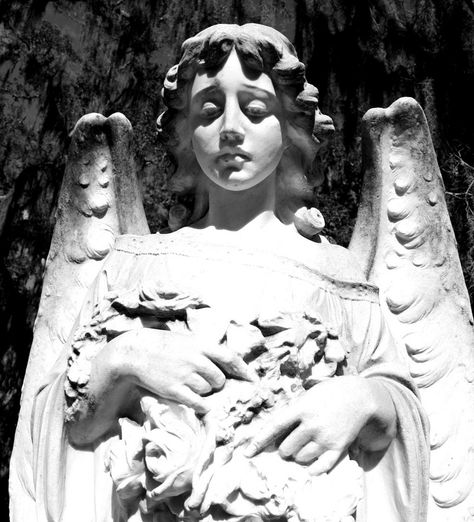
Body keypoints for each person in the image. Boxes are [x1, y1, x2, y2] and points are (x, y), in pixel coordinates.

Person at [21, 24, 429, 522]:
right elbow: (58, 426)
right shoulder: (134, 264)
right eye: (210, 111)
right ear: (186, 132)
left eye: (255, 110)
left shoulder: (334, 274)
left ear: (289, 127)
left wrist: (363, 401)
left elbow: (407, 409)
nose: (231, 128)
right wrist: (125, 358)